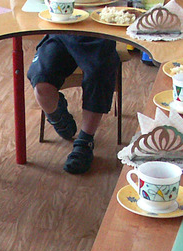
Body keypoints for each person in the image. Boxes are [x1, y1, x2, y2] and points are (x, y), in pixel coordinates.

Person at [27, 35, 121, 175]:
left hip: (97, 37)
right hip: (60, 32)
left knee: (99, 71)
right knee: (41, 80)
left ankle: (85, 141)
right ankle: (57, 117)